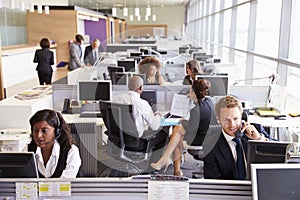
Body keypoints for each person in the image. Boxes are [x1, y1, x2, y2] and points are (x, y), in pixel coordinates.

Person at [151, 79, 214, 176]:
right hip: (206, 138)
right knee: (178, 132)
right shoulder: (209, 102)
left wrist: (183, 121)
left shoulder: (195, 110)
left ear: (193, 92)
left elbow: (191, 128)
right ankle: (169, 162)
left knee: (176, 138)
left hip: (197, 140)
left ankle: (171, 165)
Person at [203, 95, 269, 180]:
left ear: (241, 116)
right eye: (226, 120)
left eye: (235, 118)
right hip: (231, 190)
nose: (232, 125)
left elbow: (281, 152)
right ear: (218, 119)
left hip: (261, 185)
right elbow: (211, 182)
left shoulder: (256, 130)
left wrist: (259, 139)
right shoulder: (210, 146)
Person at [112, 76, 168, 156]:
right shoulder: (142, 104)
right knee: (163, 134)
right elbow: (155, 126)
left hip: (116, 140)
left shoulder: (114, 99)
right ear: (141, 87)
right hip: (135, 143)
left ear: (128, 86)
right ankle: (152, 165)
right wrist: (158, 115)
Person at [29, 109, 81, 178]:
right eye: (35, 130)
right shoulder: (28, 151)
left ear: (57, 132)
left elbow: (64, 184)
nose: (39, 135)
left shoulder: (71, 151)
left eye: (44, 131)